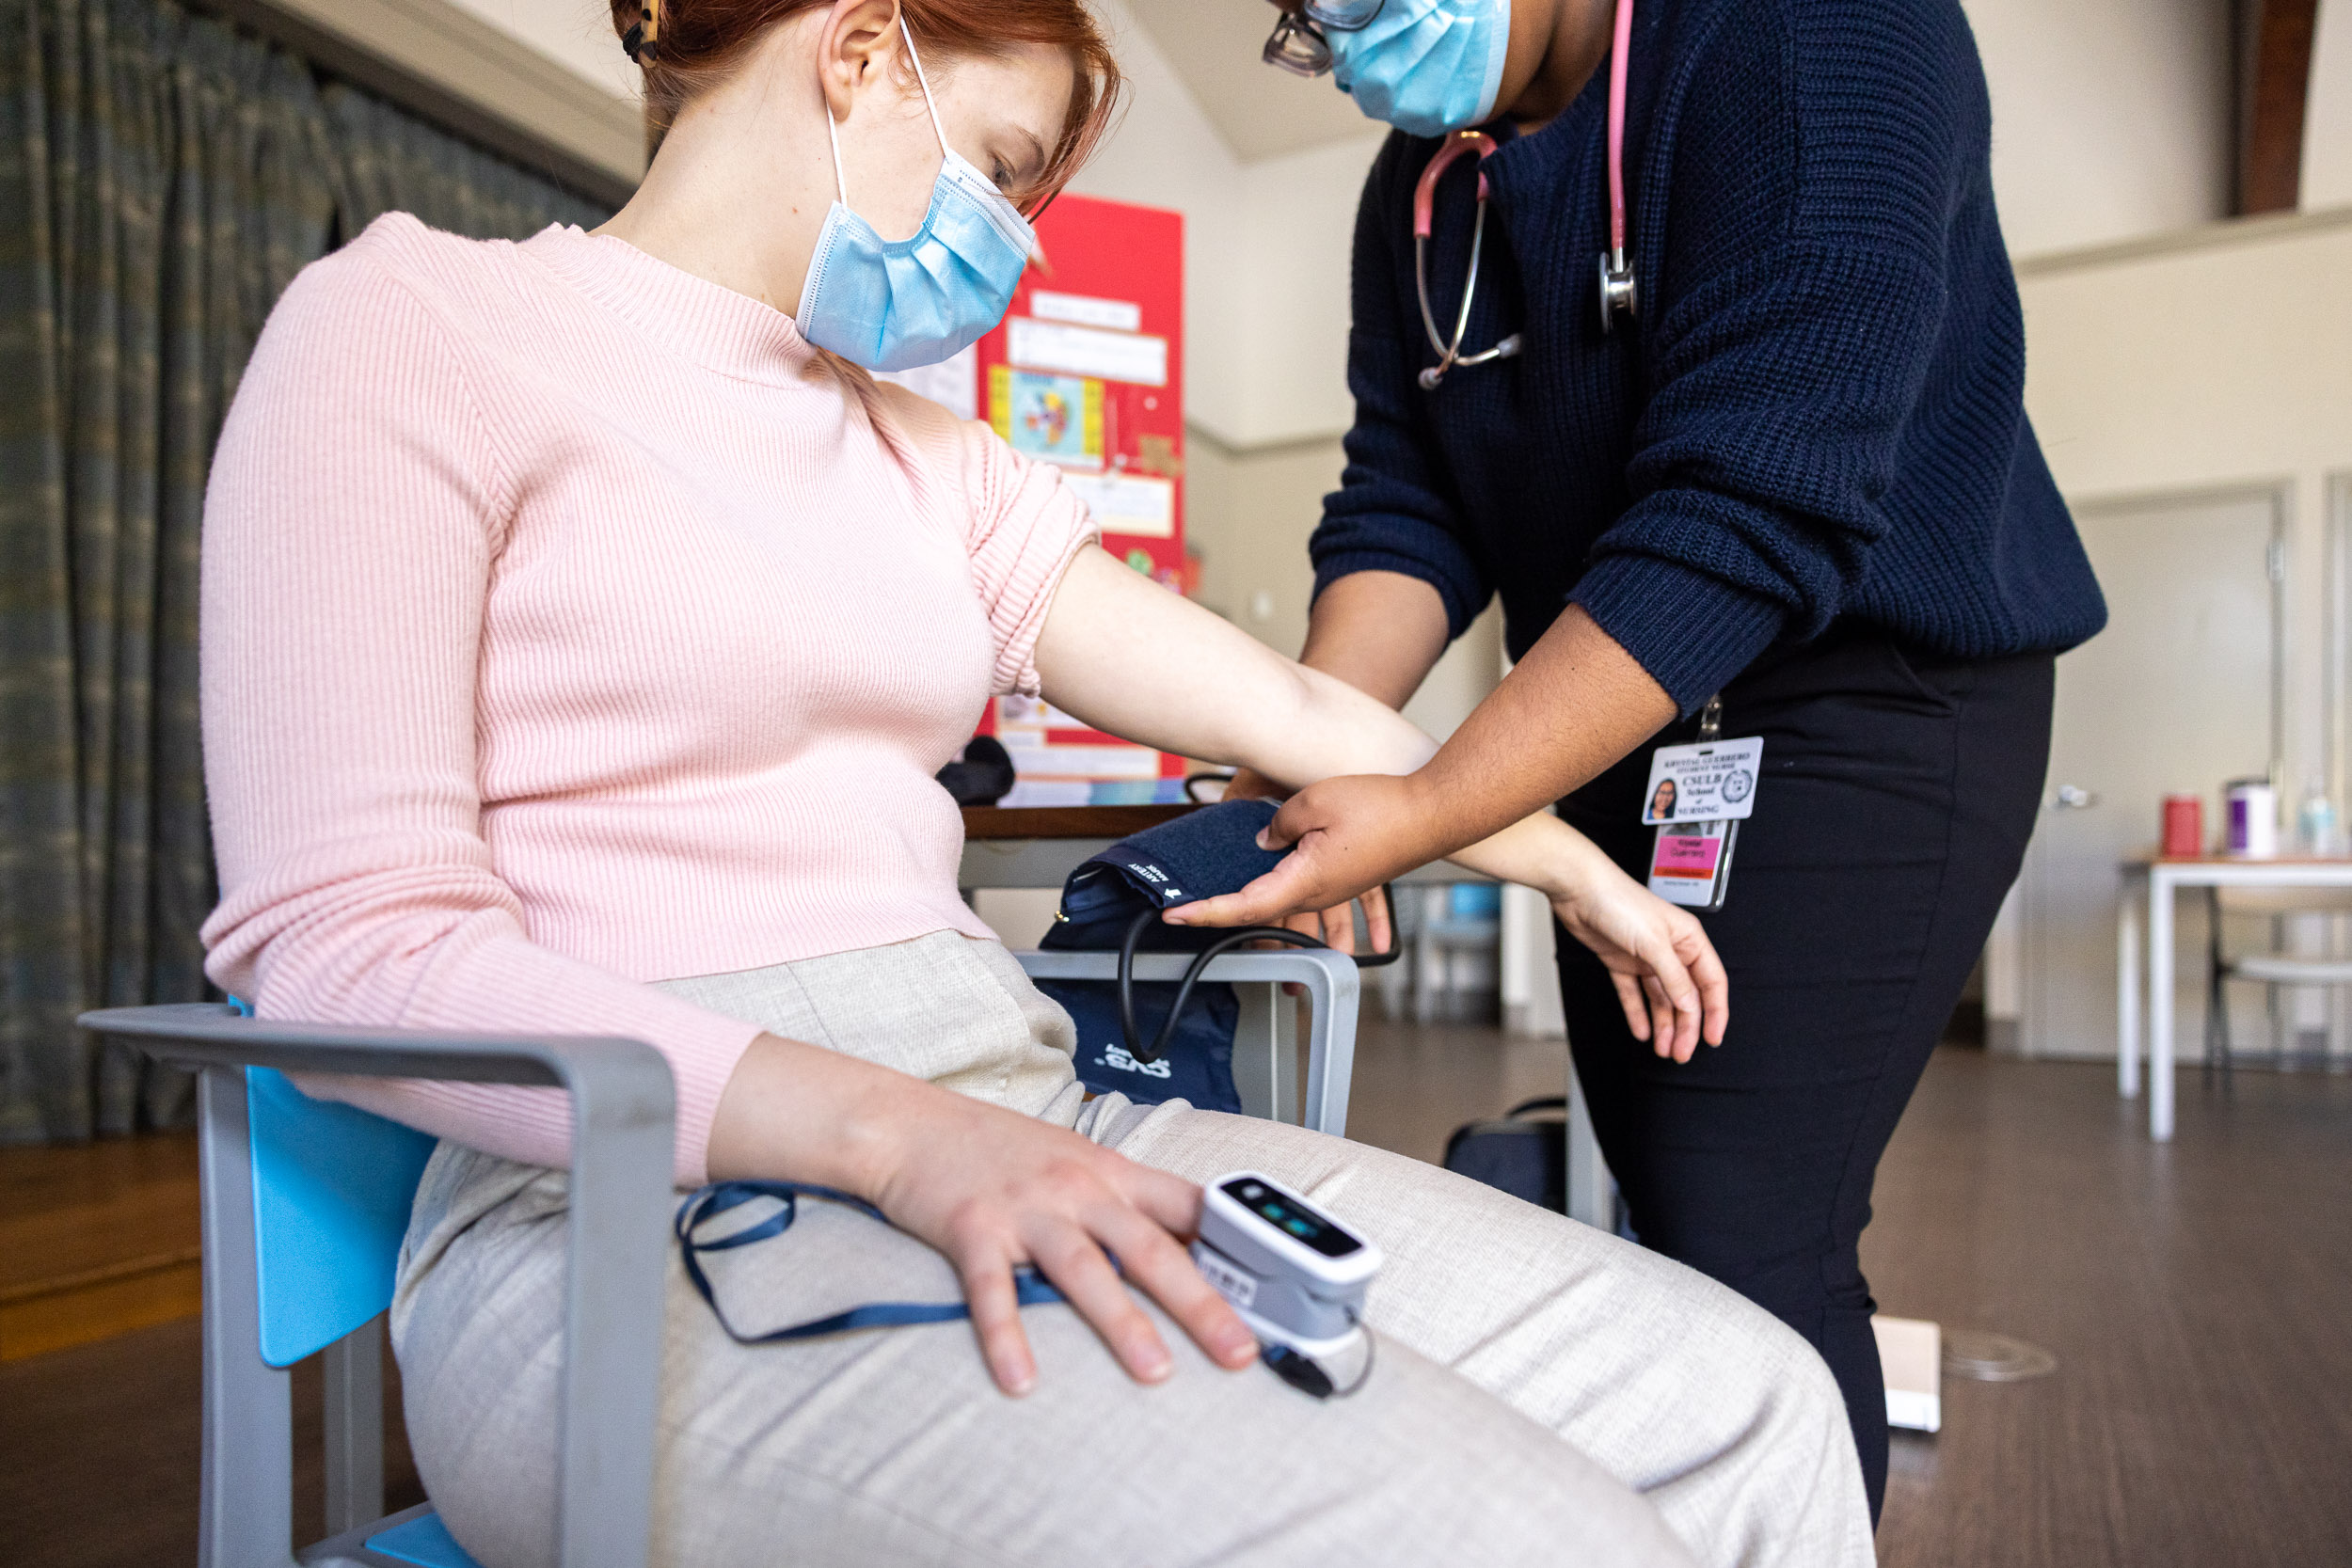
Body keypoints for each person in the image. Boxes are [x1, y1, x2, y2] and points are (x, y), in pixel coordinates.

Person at [196, 1, 1874, 1562]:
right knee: (1502, 1532)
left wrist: (1565, 864)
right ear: (857, 52)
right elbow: (347, 950)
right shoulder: (416, 325)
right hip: (622, 1208)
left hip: (1029, 1112)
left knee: (1752, 1412)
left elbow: (1294, 707)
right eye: (1001, 171)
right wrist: (899, 1140)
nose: (1005, 243)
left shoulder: (932, 460)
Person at [1200, 0, 2107, 1520]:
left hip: (1862, 693)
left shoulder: (1825, 38)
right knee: (1657, 1197)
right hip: (1620, 709)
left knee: (1745, 1235)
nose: (1347, 41)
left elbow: (1759, 502)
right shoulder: (1425, 183)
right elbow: (1404, 506)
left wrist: (1429, 809)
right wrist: (1291, 759)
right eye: (1310, 16)